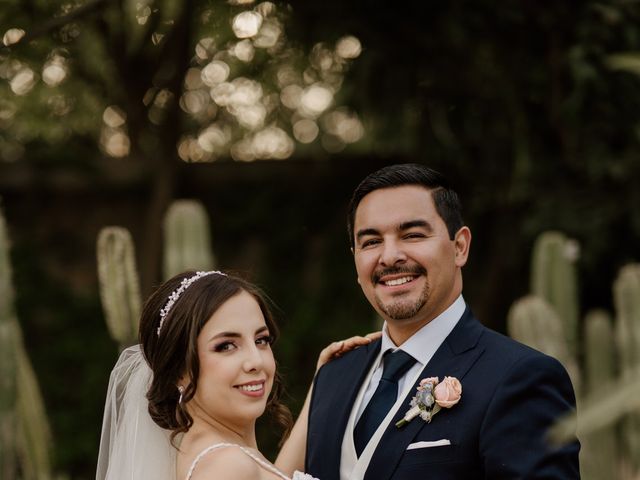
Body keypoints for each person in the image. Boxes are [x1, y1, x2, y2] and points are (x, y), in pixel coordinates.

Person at [305, 163, 581, 479]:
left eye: (412, 234)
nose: (390, 256)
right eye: (371, 242)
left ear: (459, 247)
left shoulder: (521, 377)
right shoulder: (333, 375)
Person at [96, 270, 378, 480]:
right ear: (178, 372)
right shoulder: (227, 467)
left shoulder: (221, 454)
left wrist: (321, 384)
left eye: (261, 340)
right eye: (226, 346)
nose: (255, 361)